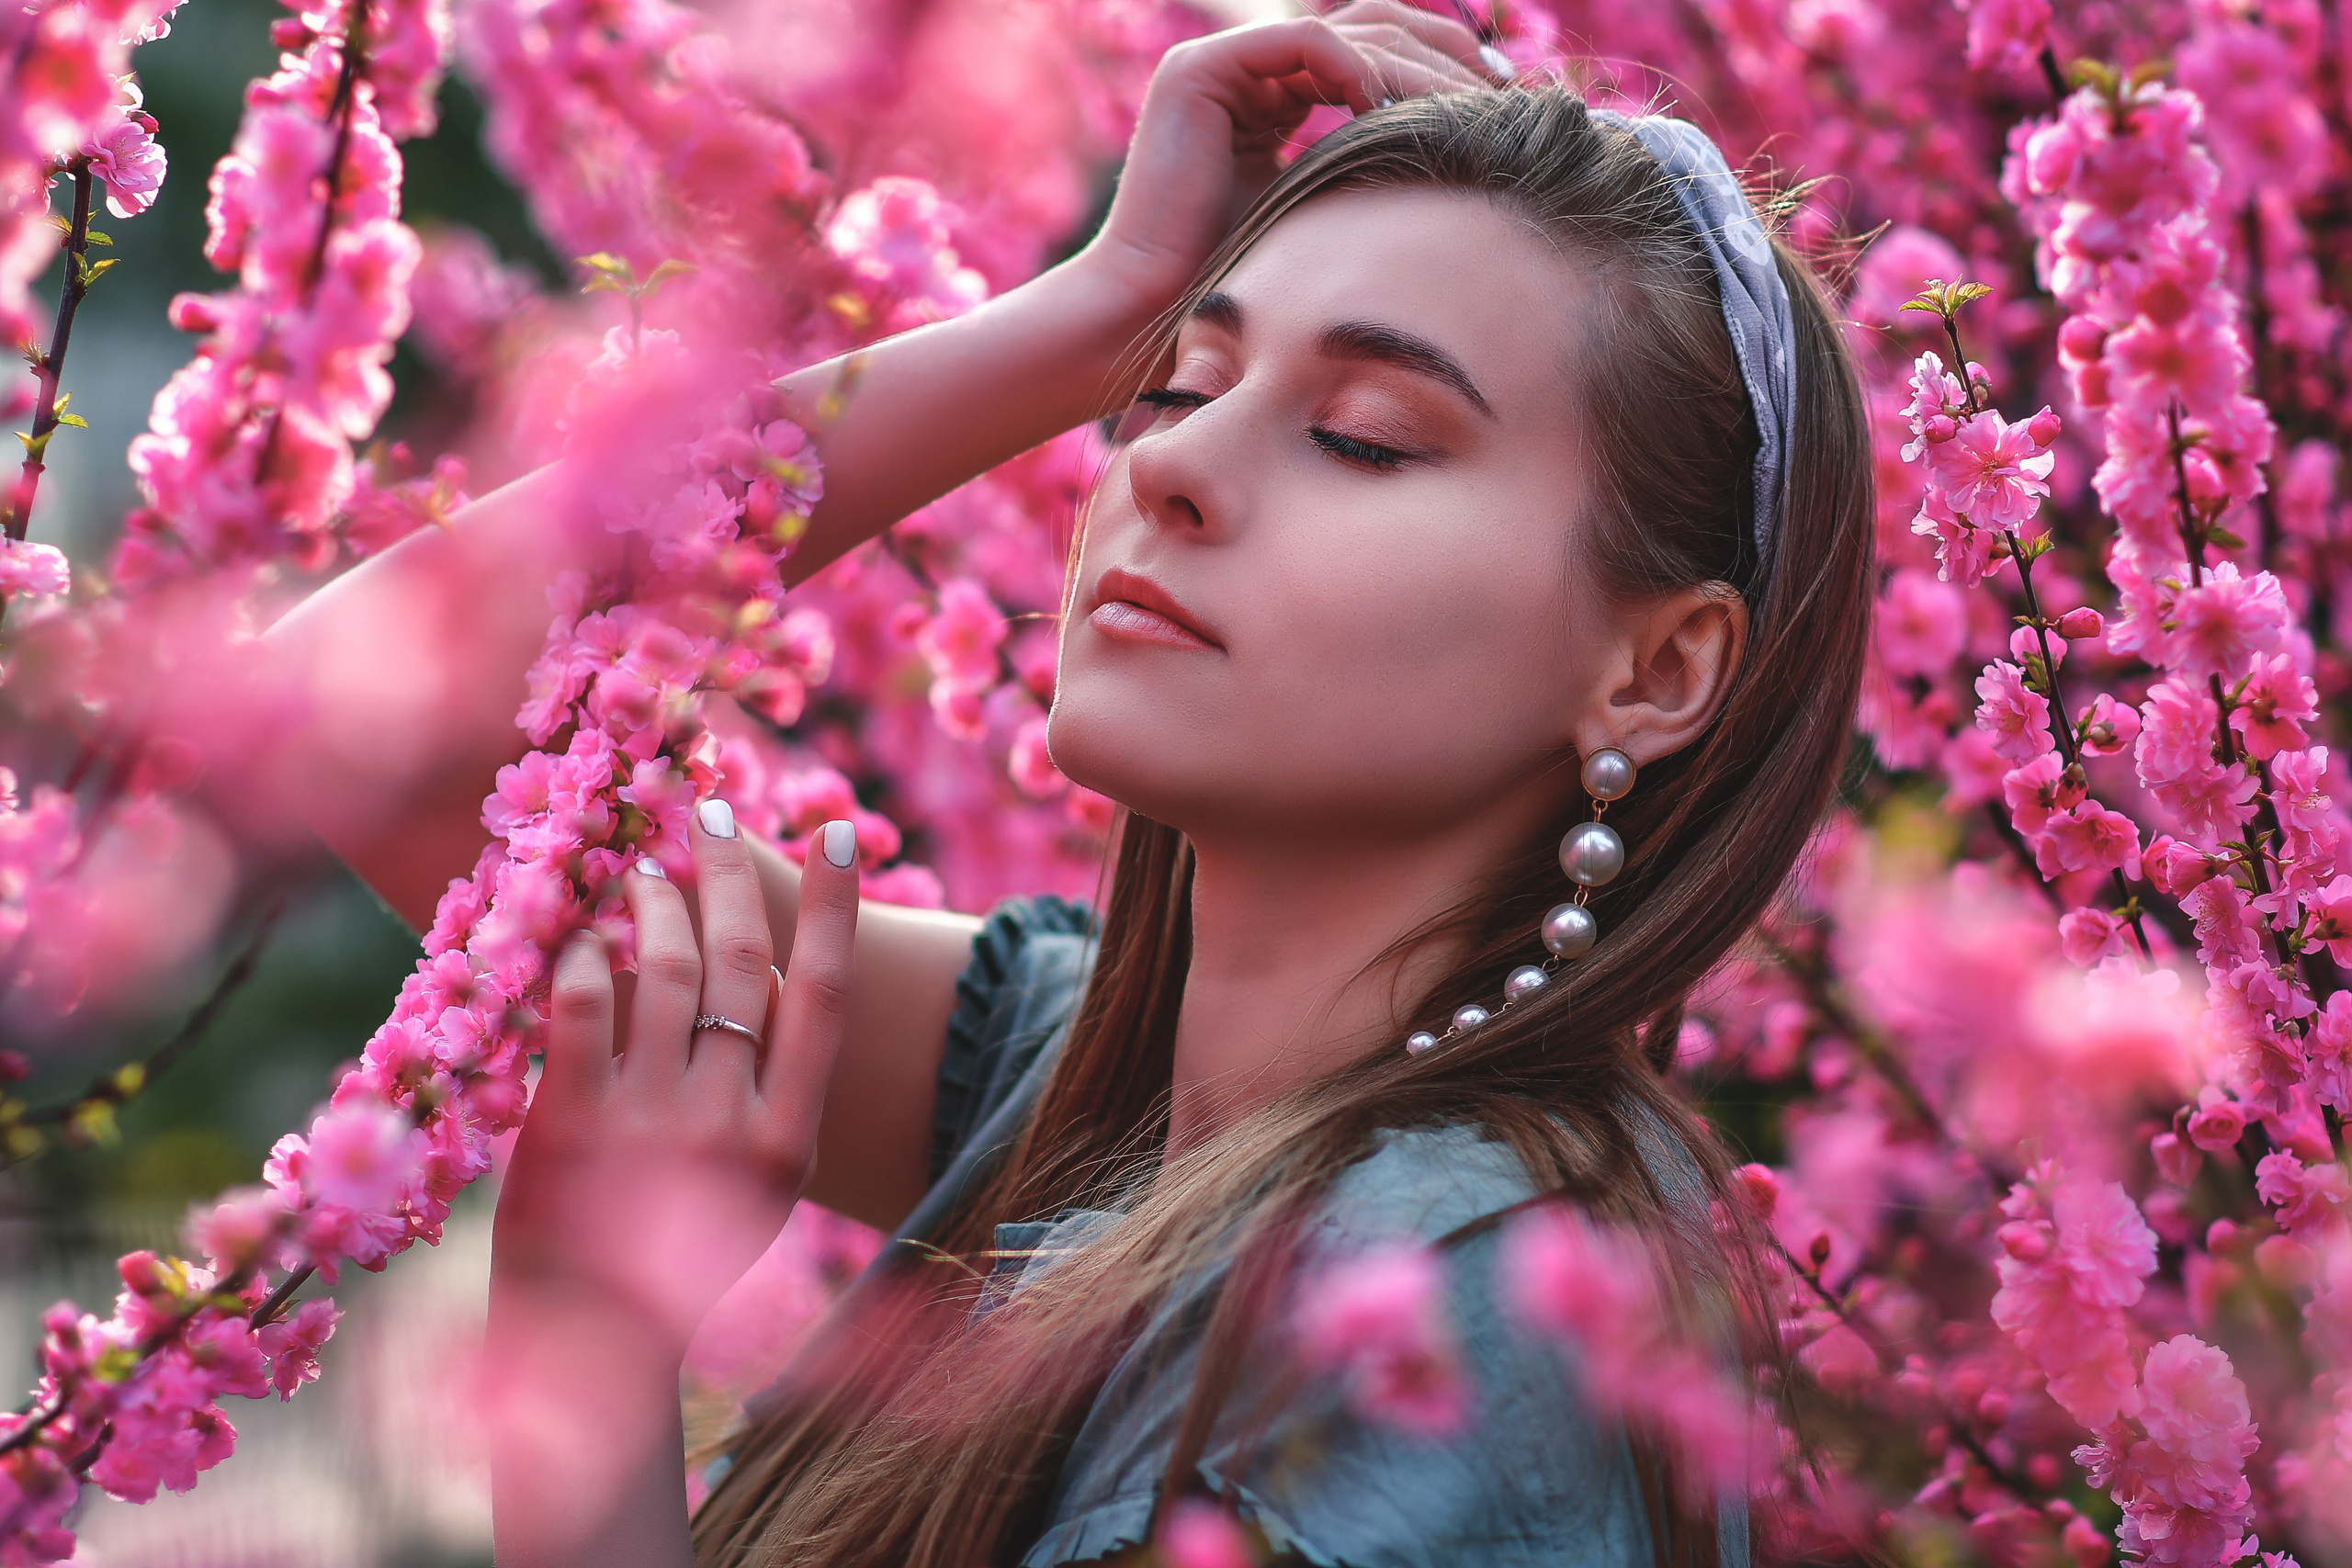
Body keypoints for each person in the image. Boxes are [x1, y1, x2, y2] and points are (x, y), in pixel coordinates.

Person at [266, 4, 1872, 1563]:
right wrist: (1098, 303)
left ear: (1658, 672)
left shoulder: (1457, 1300)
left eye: (1367, 436)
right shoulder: (1071, 1085)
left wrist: (592, 1378)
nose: (1163, 464)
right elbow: (374, 721)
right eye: (1177, 385)